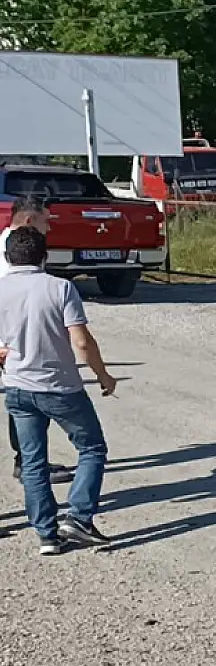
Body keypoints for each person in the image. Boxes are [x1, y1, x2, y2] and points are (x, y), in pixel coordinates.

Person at [0, 227, 118, 554]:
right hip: (59, 386)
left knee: (33, 461)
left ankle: (46, 535)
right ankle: (79, 516)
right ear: (45, 255)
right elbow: (81, 341)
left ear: (9, 256)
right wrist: (103, 376)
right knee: (92, 447)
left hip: (17, 386)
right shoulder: (60, 288)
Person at [2, 201, 74, 485]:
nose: (50, 226)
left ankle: (29, 459)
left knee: (21, 400)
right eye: (46, 221)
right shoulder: (9, 251)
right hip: (8, 342)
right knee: (23, 399)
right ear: (30, 220)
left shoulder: (17, 246)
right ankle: (27, 461)